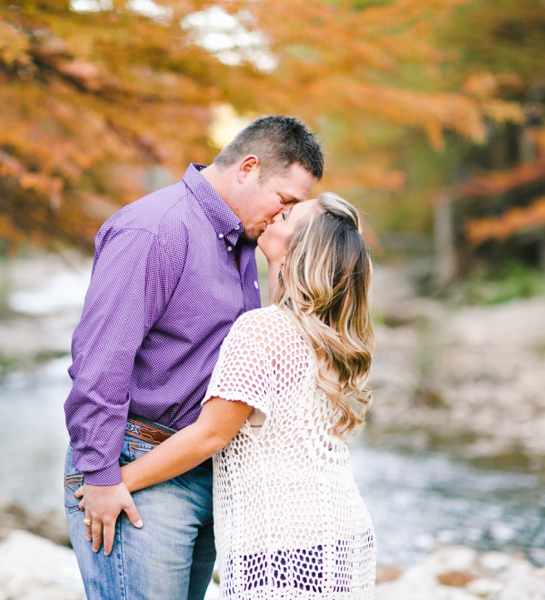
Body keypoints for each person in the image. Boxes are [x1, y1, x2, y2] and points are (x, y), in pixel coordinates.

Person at [63, 115, 325, 599]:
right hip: (133, 468)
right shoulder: (155, 229)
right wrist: (100, 477)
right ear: (248, 168)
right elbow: (101, 361)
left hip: (203, 469)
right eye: (284, 201)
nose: (282, 216)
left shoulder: (243, 242)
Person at [81, 193, 377, 599]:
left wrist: (113, 483)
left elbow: (211, 435)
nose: (273, 214)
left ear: (300, 250)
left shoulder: (262, 330)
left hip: (282, 549)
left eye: (287, 215)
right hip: (342, 537)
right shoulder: (332, 339)